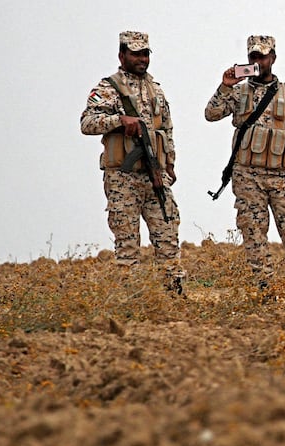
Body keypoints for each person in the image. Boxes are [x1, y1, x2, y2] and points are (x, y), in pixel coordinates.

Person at [205, 35, 285, 305]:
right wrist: (225, 86)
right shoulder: (237, 92)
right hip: (247, 176)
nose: (258, 62)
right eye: (253, 58)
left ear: (273, 57)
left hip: (282, 178)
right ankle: (265, 289)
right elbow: (211, 114)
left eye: (263, 56)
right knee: (254, 234)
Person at [80, 31, 185, 294]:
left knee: (168, 237)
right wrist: (118, 121)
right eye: (135, 54)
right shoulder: (108, 88)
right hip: (123, 179)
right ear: (122, 55)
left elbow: (166, 128)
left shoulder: (155, 89)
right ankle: (133, 300)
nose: (141, 59)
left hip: (154, 176)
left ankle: (174, 296)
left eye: (145, 54)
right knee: (127, 245)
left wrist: (169, 163)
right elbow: (87, 123)